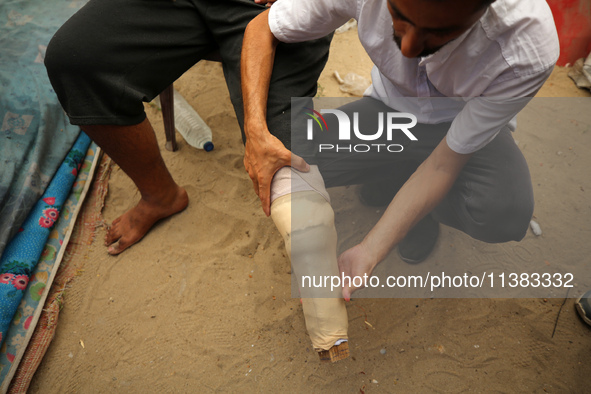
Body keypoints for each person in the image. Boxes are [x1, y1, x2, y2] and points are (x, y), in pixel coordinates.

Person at [44, 0, 350, 360]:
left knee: (300, 208)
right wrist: (254, 129)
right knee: (73, 59)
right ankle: (160, 195)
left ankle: (329, 332)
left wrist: (258, 131)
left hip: (282, 7)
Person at [240, 0, 559, 299]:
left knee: (505, 210)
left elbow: (442, 165)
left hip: (459, 124)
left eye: (441, 32)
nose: (408, 49)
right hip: (388, 110)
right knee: (284, 152)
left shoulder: (525, 47)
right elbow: (262, 28)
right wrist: (255, 131)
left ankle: (415, 204)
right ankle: (394, 177)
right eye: (399, 15)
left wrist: (369, 250)